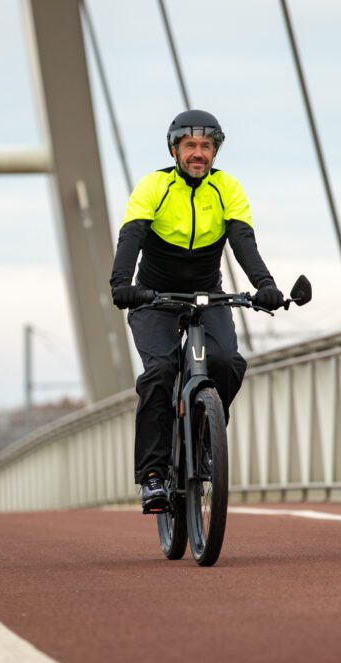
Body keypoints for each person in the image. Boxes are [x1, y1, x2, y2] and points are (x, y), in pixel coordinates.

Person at [109, 109, 285, 514]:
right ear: (174, 149)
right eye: (190, 145)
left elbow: (243, 243)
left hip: (208, 294)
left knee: (226, 361)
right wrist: (122, 286)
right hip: (154, 297)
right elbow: (131, 236)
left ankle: (205, 438)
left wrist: (266, 287)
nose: (198, 153)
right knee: (160, 372)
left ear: (215, 151)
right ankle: (153, 476)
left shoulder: (227, 189)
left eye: (206, 146)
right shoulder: (154, 186)